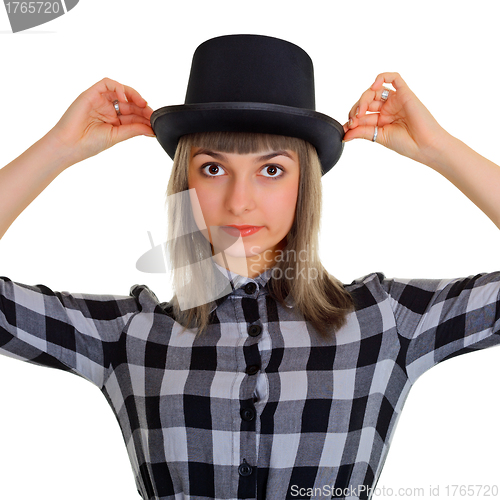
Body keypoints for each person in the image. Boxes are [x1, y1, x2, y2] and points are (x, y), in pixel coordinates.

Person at [1, 34, 500, 500]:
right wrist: (58, 149)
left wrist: (439, 149)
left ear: (304, 184)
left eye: (271, 170)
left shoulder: (384, 321)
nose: (239, 202)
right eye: (213, 169)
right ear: (186, 183)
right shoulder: (130, 335)